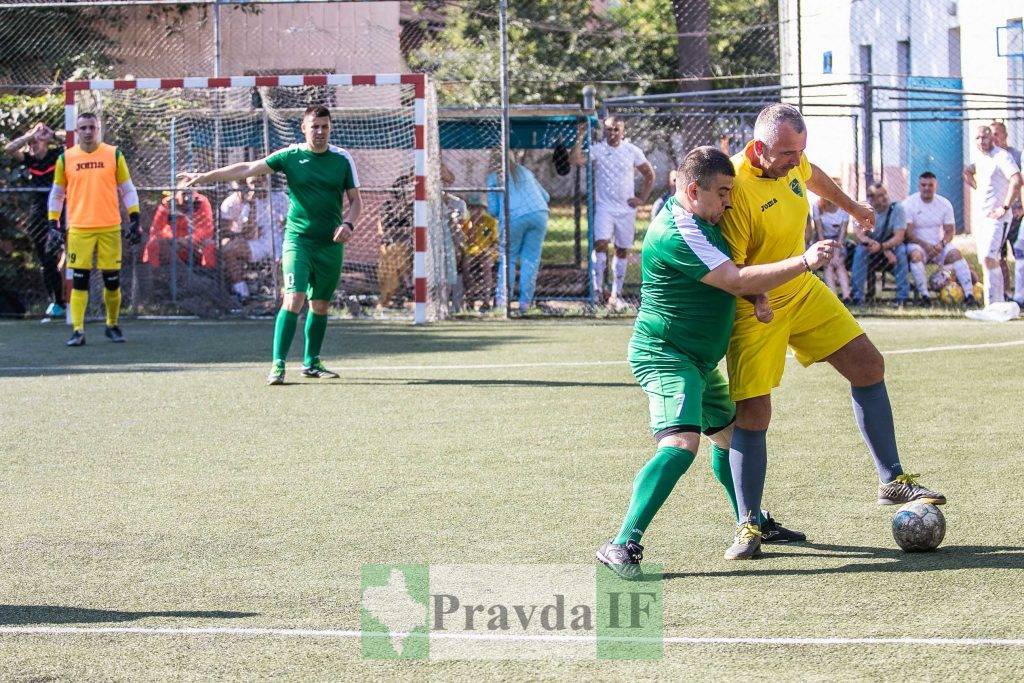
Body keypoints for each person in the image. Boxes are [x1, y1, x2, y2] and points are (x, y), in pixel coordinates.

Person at [596, 146, 836, 578]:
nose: (729, 201)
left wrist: (756, 297)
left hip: (699, 363)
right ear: (693, 190)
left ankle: (752, 519)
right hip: (667, 356)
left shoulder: (705, 221)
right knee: (681, 445)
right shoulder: (677, 230)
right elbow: (732, 277)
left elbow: (733, 272)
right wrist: (803, 262)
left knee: (729, 439)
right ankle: (621, 541)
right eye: (723, 192)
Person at [719, 104, 945, 560]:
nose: (794, 160)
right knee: (754, 412)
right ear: (760, 148)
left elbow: (814, 174)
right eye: (786, 154)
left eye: (800, 150)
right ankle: (748, 524)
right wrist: (758, 298)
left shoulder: (793, 157)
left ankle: (892, 481)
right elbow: (736, 271)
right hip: (756, 301)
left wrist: (853, 205)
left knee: (868, 364)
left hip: (800, 287)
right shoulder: (737, 188)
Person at [179, 105, 362, 385]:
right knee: (294, 297)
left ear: (330, 128)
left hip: (331, 245)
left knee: (321, 304)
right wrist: (204, 177)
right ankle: (278, 365)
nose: (320, 132)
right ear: (304, 128)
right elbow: (248, 168)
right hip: (298, 242)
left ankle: (311, 362)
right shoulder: (290, 155)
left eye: (325, 126)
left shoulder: (342, 159)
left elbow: (356, 201)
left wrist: (348, 224)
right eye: (315, 126)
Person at [46, 112, 141, 346]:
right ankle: (78, 331)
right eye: (83, 128)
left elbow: (127, 189)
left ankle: (112, 325)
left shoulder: (114, 154)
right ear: (76, 132)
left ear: (98, 129)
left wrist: (135, 218)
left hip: (110, 227)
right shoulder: (65, 159)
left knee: (112, 281)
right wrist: (52, 223)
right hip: (79, 228)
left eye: (92, 127)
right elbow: (57, 194)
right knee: (79, 281)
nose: (88, 132)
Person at [571, 117, 655, 309]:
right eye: (609, 130)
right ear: (604, 131)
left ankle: (616, 295)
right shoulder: (598, 149)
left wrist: (641, 198)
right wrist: (580, 135)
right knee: (600, 244)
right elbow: (575, 160)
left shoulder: (631, 151)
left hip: (626, 209)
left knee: (622, 249)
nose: (612, 133)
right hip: (604, 207)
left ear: (623, 131)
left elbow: (649, 174)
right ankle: (597, 292)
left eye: (616, 130)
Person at [3, 122, 66, 318]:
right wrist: (30, 135)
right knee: (46, 261)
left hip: (62, 209)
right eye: (32, 142)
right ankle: (58, 302)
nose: (34, 144)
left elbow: (75, 139)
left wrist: (52, 133)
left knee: (69, 254)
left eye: (38, 140)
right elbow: (9, 148)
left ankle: (72, 296)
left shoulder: (58, 155)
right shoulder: (30, 160)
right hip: (39, 214)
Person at [963, 125, 1022, 306]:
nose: (982, 141)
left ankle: (994, 304)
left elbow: (1017, 180)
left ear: (993, 139)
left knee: (990, 257)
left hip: (998, 219)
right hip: (981, 219)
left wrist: (1004, 207)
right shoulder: (980, 158)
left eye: (985, 137)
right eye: (978, 138)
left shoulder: (1002, 156)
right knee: (986, 260)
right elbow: (968, 171)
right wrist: (976, 186)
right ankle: (996, 304)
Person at [486, 154, 550, 312]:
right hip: (539, 213)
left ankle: (502, 302)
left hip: (513, 217)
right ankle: (525, 304)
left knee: (508, 258)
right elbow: (546, 196)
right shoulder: (525, 171)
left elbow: (493, 209)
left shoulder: (494, 177)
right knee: (531, 260)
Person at [902, 171, 977, 307]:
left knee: (956, 254)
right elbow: (908, 234)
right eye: (923, 185)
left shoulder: (944, 203)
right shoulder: (909, 203)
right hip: (918, 245)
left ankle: (969, 295)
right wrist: (926, 246)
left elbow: (950, 231)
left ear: (936, 186)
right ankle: (925, 297)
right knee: (916, 255)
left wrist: (941, 244)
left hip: (939, 246)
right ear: (919, 186)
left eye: (930, 185)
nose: (926, 188)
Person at [220, 176, 289, 302]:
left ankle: (284, 296)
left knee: (286, 260)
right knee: (229, 250)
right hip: (259, 243)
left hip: (280, 241)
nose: (257, 185)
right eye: (253, 182)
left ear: (267, 181)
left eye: (260, 181)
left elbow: (288, 224)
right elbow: (248, 233)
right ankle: (243, 294)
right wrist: (251, 206)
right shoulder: (248, 202)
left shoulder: (280, 197)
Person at [850, 182, 910, 306]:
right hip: (870, 249)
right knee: (860, 251)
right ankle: (858, 298)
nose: (885, 198)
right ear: (871, 198)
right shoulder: (862, 209)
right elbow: (859, 236)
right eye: (880, 196)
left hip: (891, 248)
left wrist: (882, 248)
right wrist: (874, 244)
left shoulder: (897, 208)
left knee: (901, 250)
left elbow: (899, 237)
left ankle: (902, 298)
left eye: (885, 194)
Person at [142, 186, 216, 269]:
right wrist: (170, 240)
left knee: (209, 244)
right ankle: (152, 270)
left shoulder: (201, 202)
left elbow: (206, 228)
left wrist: (190, 240)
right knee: (153, 242)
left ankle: (208, 272)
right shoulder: (169, 203)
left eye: (190, 191)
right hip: (172, 243)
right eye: (184, 192)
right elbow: (156, 228)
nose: (187, 196)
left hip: (194, 245)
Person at [990, 121, 1023, 301]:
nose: (993, 138)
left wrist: (1020, 208)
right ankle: (1005, 293)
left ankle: (1020, 292)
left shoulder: (1016, 156)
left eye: (996, 134)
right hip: (998, 216)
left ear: (1005, 136)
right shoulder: (989, 156)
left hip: (1016, 215)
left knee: (1019, 254)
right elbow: (968, 172)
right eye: (991, 134)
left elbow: (1019, 183)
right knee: (998, 256)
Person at [376, 172, 413, 309]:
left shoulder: (411, 208)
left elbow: (413, 230)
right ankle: (404, 288)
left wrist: (404, 232)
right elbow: (386, 230)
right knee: (394, 251)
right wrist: (402, 231)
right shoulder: (388, 207)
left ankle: (407, 289)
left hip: (408, 245)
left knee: (401, 252)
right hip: (390, 245)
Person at [812, 184, 852, 302]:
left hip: (838, 241)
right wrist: (827, 252)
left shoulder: (845, 208)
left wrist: (837, 254)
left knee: (839, 263)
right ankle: (834, 298)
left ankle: (847, 296)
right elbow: (819, 232)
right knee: (828, 264)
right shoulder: (817, 207)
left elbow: (843, 233)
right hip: (822, 240)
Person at [459, 193, 498, 309]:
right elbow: (467, 241)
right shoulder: (467, 223)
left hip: (487, 251)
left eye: (479, 208)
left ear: (484, 209)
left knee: (486, 265)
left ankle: (486, 299)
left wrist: (489, 250)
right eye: (473, 208)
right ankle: (470, 298)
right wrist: (472, 226)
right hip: (472, 251)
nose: (476, 211)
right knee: (466, 264)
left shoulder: (491, 222)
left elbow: (495, 242)